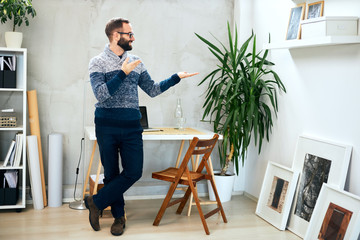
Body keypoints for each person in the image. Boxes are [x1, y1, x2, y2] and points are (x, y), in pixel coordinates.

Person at [85, 17, 198, 236]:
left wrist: (176, 78)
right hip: (106, 125)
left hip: (131, 127)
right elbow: (101, 95)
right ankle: (119, 217)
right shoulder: (97, 62)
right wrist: (122, 73)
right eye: (129, 34)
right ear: (116, 35)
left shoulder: (136, 60)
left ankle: (96, 202)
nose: (133, 37)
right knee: (111, 173)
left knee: (134, 171)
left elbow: (153, 89)